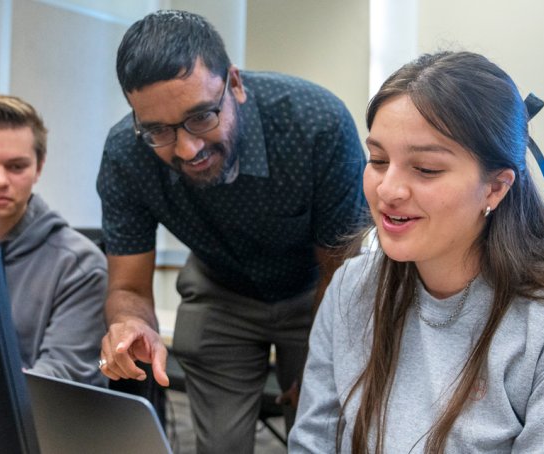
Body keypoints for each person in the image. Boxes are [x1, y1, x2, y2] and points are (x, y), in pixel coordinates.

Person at [290, 52, 544, 453]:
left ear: (496, 188)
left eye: (426, 169)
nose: (387, 189)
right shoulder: (352, 288)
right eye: (379, 160)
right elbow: (313, 442)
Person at [95, 10, 368, 453]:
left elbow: (340, 272)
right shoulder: (127, 154)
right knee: (221, 444)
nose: (188, 148)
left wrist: (321, 367)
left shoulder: (316, 123)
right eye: (158, 130)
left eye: (201, 116)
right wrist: (130, 323)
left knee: (321, 433)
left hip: (317, 289)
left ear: (235, 84)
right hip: (220, 289)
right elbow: (127, 287)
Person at [0, 95, 108, 387]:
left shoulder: (79, 264)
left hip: (34, 416)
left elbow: (61, 380)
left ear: (39, 167)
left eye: (16, 166)